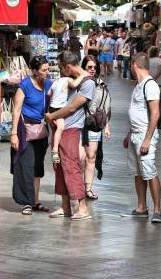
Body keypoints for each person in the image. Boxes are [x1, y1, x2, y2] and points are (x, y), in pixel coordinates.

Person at [45, 51, 96, 220]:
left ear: (67, 66)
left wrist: (52, 116)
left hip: (71, 128)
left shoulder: (88, 83)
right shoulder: (70, 80)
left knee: (71, 166)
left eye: (61, 67)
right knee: (59, 166)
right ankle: (65, 206)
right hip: (60, 127)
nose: (61, 70)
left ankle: (82, 208)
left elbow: (72, 108)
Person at [123, 52, 161, 223]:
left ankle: (157, 210)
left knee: (149, 171)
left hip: (145, 136)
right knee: (138, 173)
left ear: (134, 65)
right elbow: (136, 113)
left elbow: (155, 114)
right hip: (134, 135)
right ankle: (142, 207)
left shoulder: (150, 85)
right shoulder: (138, 85)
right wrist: (128, 134)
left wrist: (147, 139)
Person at [10, 56, 52, 215]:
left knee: (37, 167)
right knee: (26, 165)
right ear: (35, 71)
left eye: (48, 69)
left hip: (41, 129)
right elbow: (16, 110)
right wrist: (14, 134)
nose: (47, 72)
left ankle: (35, 200)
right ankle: (26, 202)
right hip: (24, 130)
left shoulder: (49, 84)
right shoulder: (25, 85)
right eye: (43, 70)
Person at [80, 55, 111, 200]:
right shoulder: (78, 83)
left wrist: (106, 127)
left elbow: (105, 107)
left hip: (93, 125)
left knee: (91, 157)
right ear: (83, 67)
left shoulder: (102, 85)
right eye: (89, 67)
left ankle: (88, 188)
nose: (92, 70)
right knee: (80, 158)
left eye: (94, 67)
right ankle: (78, 186)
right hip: (78, 125)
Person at [48, 68, 87, 164]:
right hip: (59, 108)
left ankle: (55, 147)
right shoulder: (67, 80)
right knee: (60, 128)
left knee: (56, 128)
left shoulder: (56, 81)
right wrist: (82, 75)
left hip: (52, 107)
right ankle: (55, 150)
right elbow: (74, 84)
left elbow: (49, 93)